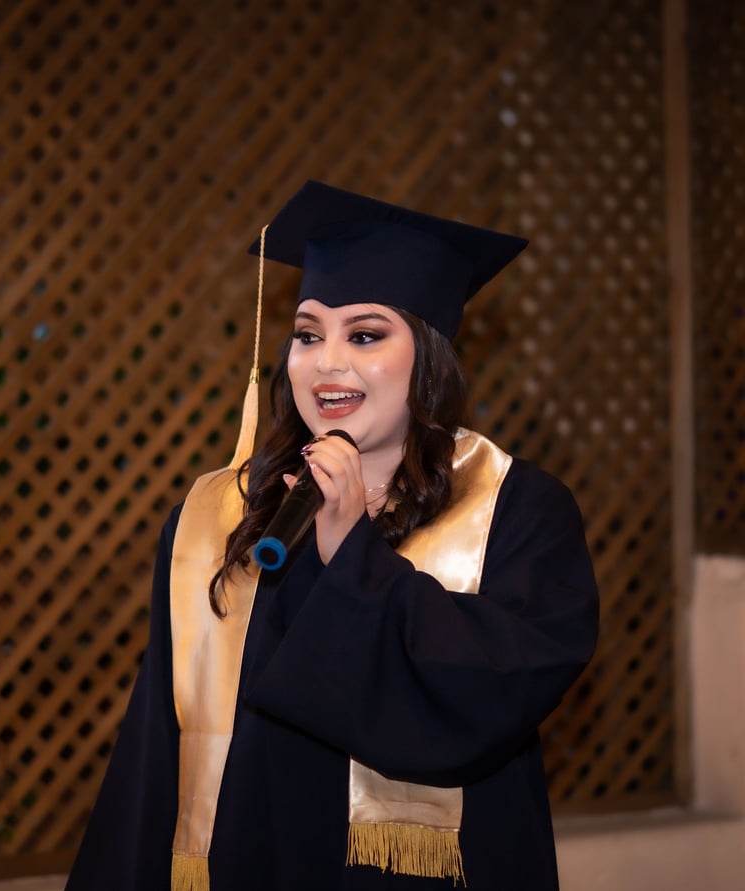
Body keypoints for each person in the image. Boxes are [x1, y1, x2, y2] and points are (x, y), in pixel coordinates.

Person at [65, 181, 599, 891]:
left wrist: (353, 551)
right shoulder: (219, 512)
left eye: (367, 335)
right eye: (309, 334)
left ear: (429, 356)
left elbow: (488, 700)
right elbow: (154, 750)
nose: (328, 362)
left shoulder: (517, 509)